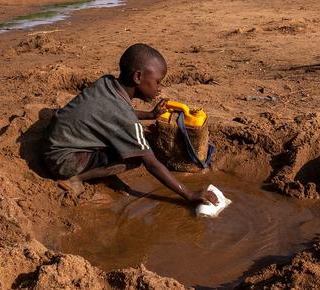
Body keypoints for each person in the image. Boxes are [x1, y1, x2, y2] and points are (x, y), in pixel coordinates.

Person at [43, 43, 218, 206]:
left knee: (127, 141)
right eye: (157, 81)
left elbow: (111, 114)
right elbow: (151, 163)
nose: (159, 88)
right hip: (63, 162)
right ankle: (76, 178)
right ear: (138, 77)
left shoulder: (107, 83)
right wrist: (189, 194)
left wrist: (149, 115)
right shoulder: (124, 116)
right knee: (136, 156)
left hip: (55, 144)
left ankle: (100, 173)